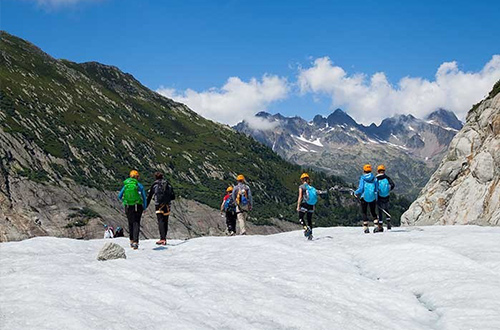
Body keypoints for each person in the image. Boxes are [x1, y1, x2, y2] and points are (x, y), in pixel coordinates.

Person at [118, 170, 147, 249]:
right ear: (137, 177)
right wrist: (144, 207)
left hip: (128, 206)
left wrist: (125, 201)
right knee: (136, 223)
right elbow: (144, 197)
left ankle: (131, 241)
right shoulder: (139, 185)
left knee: (130, 222)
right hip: (137, 206)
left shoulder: (126, 185)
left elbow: (119, 196)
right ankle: (135, 242)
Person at [147, 172, 175, 245]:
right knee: (166, 221)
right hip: (167, 205)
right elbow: (173, 196)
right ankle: (164, 238)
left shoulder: (155, 185)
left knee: (160, 221)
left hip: (158, 205)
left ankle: (162, 239)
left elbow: (150, 196)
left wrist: (145, 205)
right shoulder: (168, 184)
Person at [354, 164, 379, 234]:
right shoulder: (374, 178)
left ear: (364, 170)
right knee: (373, 211)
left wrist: (355, 192)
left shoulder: (363, 178)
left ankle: (366, 227)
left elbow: (361, 188)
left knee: (364, 212)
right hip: (373, 197)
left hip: (364, 197)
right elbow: (376, 189)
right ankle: (376, 226)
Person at [296, 173, 318, 240]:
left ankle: (305, 228)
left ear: (302, 180)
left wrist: (298, 206)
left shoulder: (301, 187)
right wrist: (313, 206)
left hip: (304, 204)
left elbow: (300, 197)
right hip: (311, 205)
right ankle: (310, 235)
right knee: (309, 220)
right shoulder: (312, 188)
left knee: (301, 218)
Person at [376, 165, 395, 230]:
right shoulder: (387, 178)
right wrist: (388, 190)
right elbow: (393, 185)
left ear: (378, 171)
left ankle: (380, 224)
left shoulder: (376, 178)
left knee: (380, 210)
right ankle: (388, 222)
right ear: (384, 170)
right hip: (386, 196)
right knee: (387, 209)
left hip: (379, 196)